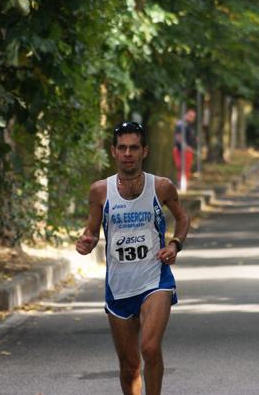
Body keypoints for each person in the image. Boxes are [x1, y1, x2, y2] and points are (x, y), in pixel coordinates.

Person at [76, 121, 190, 395]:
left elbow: (183, 219)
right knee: (129, 367)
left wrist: (175, 245)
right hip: (118, 286)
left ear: (144, 151)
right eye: (123, 148)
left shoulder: (161, 187)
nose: (128, 153)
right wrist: (86, 242)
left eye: (134, 148)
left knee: (149, 348)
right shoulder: (100, 191)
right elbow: (91, 231)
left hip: (155, 281)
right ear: (113, 152)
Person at [172, 109, 197, 187]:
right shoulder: (180, 124)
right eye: (190, 116)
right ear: (185, 114)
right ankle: (181, 185)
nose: (191, 119)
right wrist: (186, 147)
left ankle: (185, 184)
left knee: (187, 168)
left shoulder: (188, 126)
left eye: (193, 117)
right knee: (182, 167)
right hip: (181, 150)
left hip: (188, 151)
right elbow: (179, 137)